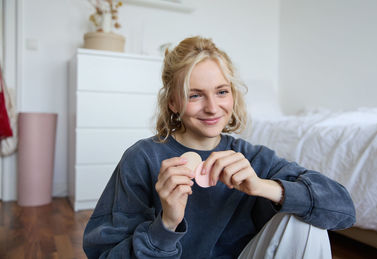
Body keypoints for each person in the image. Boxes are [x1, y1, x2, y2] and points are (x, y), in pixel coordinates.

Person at [83, 36, 355, 259]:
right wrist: (166, 224)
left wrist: (260, 186)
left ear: (233, 96)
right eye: (195, 95)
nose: (213, 108)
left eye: (222, 91)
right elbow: (103, 254)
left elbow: (343, 210)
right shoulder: (142, 159)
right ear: (173, 103)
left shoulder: (251, 157)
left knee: (306, 217)